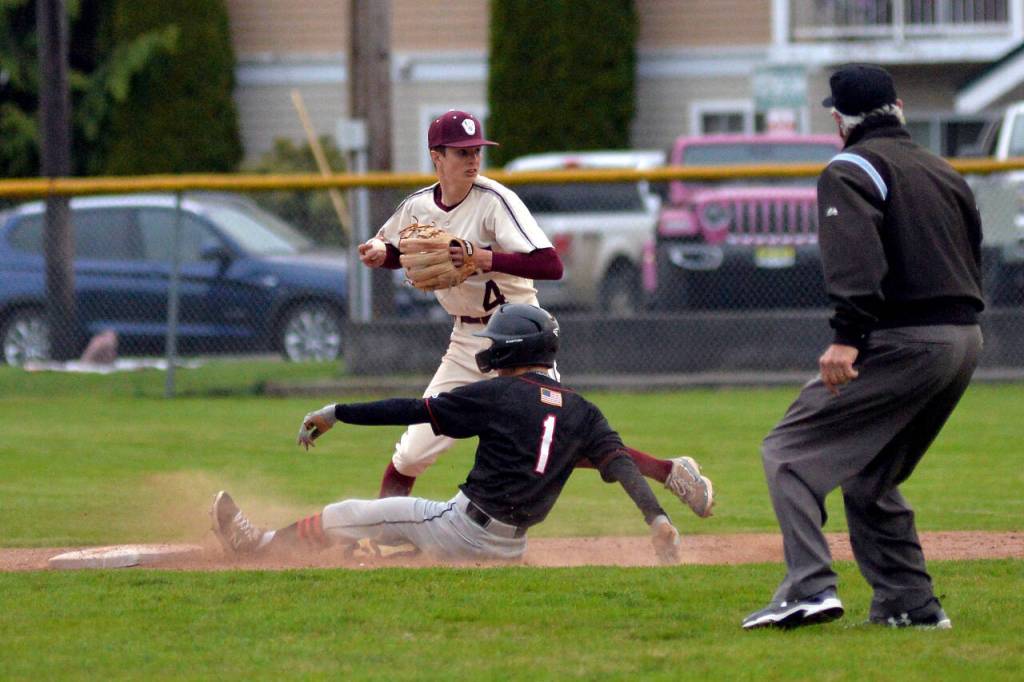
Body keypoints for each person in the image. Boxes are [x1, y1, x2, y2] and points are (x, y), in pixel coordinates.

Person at [355, 109, 709, 512]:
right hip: (466, 341)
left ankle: (671, 472)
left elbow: (550, 265)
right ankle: (381, 529)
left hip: (523, 341)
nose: (473, 159)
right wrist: (382, 253)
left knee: (557, 439)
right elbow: (396, 249)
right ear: (437, 157)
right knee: (413, 452)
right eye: (462, 152)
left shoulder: (495, 201)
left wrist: (486, 258)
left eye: (477, 151)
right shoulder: (418, 206)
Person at [741, 64, 984, 631]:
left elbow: (856, 261)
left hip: (904, 338)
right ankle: (910, 605)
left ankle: (809, 588)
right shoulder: (943, 169)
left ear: (839, 118)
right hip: (965, 338)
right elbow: (974, 254)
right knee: (871, 476)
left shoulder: (850, 167)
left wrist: (847, 338)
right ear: (897, 106)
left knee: (790, 455)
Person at [212, 304, 707, 564]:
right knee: (405, 543)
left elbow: (409, 409)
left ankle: (257, 544)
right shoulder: (583, 411)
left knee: (352, 514)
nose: (489, 348)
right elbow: (619, 464)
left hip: (462, 528)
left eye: (496, 341)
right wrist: (656, 516)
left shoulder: (496, 395)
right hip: (510, 547)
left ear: (512, 348)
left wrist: (336, 411)